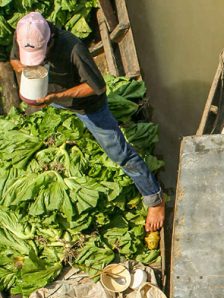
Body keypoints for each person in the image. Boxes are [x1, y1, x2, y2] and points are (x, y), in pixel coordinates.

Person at [10, 12, 165, 232]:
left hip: (88, 106)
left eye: (41, 56)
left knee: (119, 153)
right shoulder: (26, 34)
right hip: (51, 97)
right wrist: (26, 69)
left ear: (50, 41)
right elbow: (14, 59)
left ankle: (155, 199)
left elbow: (97, 87)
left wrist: (57, 97)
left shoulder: (72, 48)